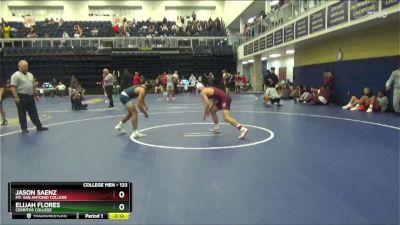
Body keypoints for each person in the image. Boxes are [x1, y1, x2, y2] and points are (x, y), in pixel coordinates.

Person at [10, 60, 48, 133]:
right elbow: (13, 87)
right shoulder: (16, 75)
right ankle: (24, 129)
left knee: (34, 112)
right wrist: (16, 97)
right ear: (19, 67)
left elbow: (33, 86)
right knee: (22, 113)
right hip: (21, 96)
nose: (26, 68)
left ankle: (39, 126)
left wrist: (36, 95)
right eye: (24, 66)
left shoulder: (30, 75)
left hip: (30, 96)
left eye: (27, 66)